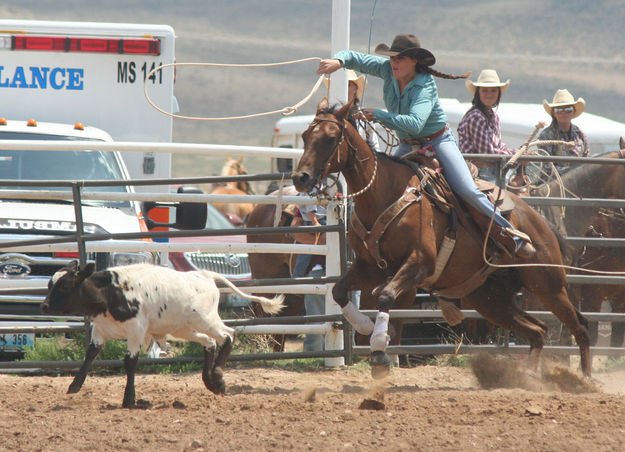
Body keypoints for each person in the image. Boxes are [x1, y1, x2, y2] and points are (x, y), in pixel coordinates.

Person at [316, 33, 535, 258]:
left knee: (467, 189)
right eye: (392, 58)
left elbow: (415, 124)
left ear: (415, 61)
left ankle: (511, 234)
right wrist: (339, 61)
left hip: (438, 141)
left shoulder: (424, 85)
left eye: (400, 59)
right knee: (384, 185)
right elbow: (356, 58)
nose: (394, 63)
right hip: (406, 143)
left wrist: (379, 115)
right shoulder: (387, 69)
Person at [457, 69, 513, 183]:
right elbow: (487, 153)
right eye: (485, 91)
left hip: (492, 170)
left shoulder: (493, 116)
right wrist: (513, 155)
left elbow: (498, 145)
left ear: (498, 94)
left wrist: (516, 152)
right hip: (478, 172)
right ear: (478, 93)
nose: (489, 94)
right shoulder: (476, 117)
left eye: (493, 91)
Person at [324, 69, 380, 152]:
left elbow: (375, 148)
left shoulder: (365, 116)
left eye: (347, 85)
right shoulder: (327, 118)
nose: (343, 88)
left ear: (355, 89)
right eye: (339, 85)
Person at [538, 89, 589, 175]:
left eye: (568, 109)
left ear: (574, 112)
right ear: (554, 113)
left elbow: (587, 160)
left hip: (579, 182)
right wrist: (572, 173)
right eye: (559, 110)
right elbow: (547, 166)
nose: (564, 113)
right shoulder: (545, 136)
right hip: (553, 183)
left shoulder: (580, 134)